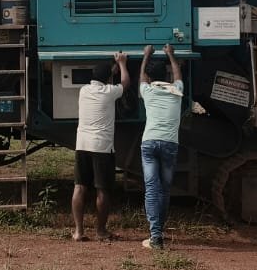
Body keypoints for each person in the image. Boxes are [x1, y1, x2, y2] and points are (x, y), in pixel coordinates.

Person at [73, 51, 129, 242]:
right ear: (108, 79)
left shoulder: (84, 91)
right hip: (102, 147)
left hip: (82, 144)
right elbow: (126, 83)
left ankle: (78, 231)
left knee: (80, 187)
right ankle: (101, 231)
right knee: (102, 189)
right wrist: (122, 63)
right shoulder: (109, 92)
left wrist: (111, 69)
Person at [138, 44, 184, 250]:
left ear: (150, 77)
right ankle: (158, 233)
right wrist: (171, 55)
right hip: (170, 143)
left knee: (151, 188)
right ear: (166, 76)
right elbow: (178, 75)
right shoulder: (177, 91)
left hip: (149, 142)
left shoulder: (147, 91)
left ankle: (155, 235)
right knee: (164, 189)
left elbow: (141, 77)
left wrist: (146, 55)